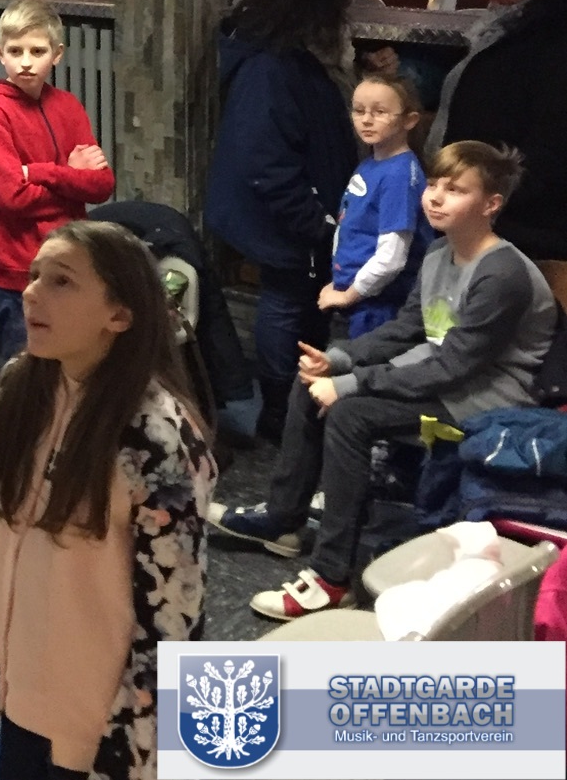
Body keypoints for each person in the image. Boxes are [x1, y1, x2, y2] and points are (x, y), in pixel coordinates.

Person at [210, 142, 559, 621]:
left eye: (456, 189)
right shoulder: (438, 253)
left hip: (487, 402)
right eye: (433, 184)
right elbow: (407, 329)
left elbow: (452, 366)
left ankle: (332, 578)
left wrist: (350, 385)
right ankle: (283, 520)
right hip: (444, 382)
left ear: (491, 204)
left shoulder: (502, 274)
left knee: (351, 415)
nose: (436, 197)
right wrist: (337, 361)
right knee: (310, 384)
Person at [0, 220, 214, 780]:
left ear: (119, 316)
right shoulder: (20, 386)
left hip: (101, 720)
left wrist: (140, 744)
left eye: (62, 281)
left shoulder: (156, 437)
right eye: (34, 276)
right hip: (24, 689)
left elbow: (173, 612)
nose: (31, 293)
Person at [204, 0, 358, 439]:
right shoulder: (273, 67)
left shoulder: (280, 53)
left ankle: (290, 404)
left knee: (295, 301)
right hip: (282, 219)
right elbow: (267, 163)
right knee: (287, 301)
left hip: (284, 213)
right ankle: (278, 410)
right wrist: (316, 224)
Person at [0, 0, 115, 364]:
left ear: (57, 54)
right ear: (0, 53)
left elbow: (102, 186)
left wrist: (39, 172)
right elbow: (11, 197)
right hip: (16, 273)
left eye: (37, 51)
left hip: (68, 266)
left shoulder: (68, 106)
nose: (26, 62)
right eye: (15, 51)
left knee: (69, 370)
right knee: (24, 375)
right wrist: (71, 176)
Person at [429, 0, 567, 274]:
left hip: (516, 224)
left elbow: (549, 146)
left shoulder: (549, 42)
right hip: (489, 210)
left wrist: (493, 201)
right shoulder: (509, 30)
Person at [319, 73, 430, 340]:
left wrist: (348, 294)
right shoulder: (372, 163)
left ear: (409, 120)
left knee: (360, 363)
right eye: (359, 110)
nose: (366, 120)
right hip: (358, 295)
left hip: (379, 305)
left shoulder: (399, 175)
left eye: (380, 112)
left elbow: (392, 257)